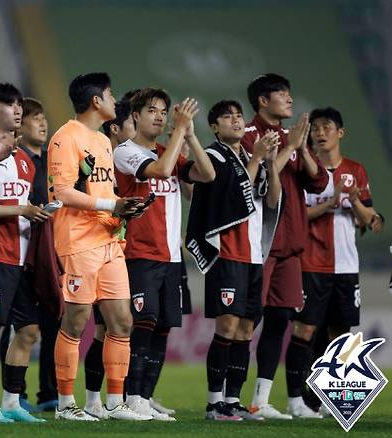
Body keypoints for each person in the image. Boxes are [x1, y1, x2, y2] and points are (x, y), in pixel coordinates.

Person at [48, 72, 150, 421]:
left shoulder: (103, 142)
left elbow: (101, 193)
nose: (113, 99)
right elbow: (61, 192)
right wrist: (111, 207)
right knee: (76, 321)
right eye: (109, 94)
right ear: (95, 101)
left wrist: (123, 206)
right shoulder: (65, 138)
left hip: (108, 241)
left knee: (122, 322)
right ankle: (65, 405)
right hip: (78, 242)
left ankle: (116, 402)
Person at [113, 88, 216, 421]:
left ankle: (143, 397)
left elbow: (207, 175)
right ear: (136, 117)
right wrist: (178, 138)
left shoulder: (165, 149)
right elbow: (158, 171)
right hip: (140, 252)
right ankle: (129, 396)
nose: (159, 116)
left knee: (161, 328)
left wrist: (191, 135)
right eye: (152, 111)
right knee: (142, 323)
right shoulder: (126, 152)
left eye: (163, 111)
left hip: (172, 256)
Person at [186, 100, 282, 421]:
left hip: (253, 255)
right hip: (227, 252)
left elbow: (270, 199)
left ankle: (232, 401)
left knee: (245, 330)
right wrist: (256, 159)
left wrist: (269, 163)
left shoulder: (248, 155)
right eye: (227, 117)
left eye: (239, 115)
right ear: (214, 127)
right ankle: (213, 404)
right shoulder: (214, 155)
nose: (236, 120)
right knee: (226, 326)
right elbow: (234, 197)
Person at [240, 74, 328, 419]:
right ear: (263, 101)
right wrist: (289, 147)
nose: (289, 100)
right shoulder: (250, 136)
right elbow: (256, 182)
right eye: (282, 94)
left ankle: (264, 399)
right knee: (248, 322)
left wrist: (301, 146)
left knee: (280, 321)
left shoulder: (290, 138)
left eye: (290, 94)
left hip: (290, 247)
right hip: (260, 245)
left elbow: (318, 180)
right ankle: (229, 398)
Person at [0, 83, 50, 423]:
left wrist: (37, 213)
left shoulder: (26, 162)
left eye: (19, 106)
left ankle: (13, 403)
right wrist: (22, 212)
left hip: (23, 260)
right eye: (10, 105)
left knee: (29, 331)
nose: (17, 111)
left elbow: (22, 205)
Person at [290, 107, 382, 410]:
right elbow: (297, 215)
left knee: (340, 332)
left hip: (345, 264)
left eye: (327, 126)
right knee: (305, 328)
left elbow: (370, 218)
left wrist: (353, 198)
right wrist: (331, 201)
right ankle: (299, 400)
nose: (320, 132)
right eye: (315, 127)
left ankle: (332, 399)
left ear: (340, 133)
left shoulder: (355, 170)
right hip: (310, 262)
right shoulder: (304, 170)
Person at [0, 97, 61, 412]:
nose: (42, 123)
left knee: (52, 323)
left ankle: (49, 392)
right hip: (17, 248)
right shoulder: (14, 158)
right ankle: (15, 392)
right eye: (35, 118)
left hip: (49, 251)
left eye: (43, 117)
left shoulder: (53, 161)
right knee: (13, 325)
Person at [83, 96, 136, 416]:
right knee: (105, 328)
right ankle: (95, 401)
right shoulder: (104, 156)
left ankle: (104, 401)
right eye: (131, 123)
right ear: (115, 129)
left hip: (115, 247)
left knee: (110, 329)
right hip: (94, 248)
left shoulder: (111, 157)